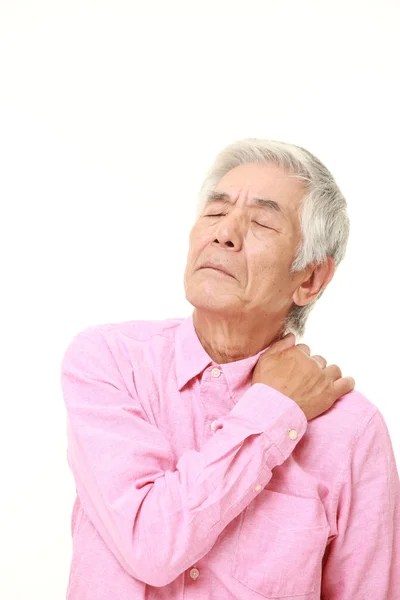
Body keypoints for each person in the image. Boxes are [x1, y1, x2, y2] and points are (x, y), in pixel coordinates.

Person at [60, 138, 400, 599]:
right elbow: (150, 544)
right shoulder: (110, 363)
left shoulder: (353, 432)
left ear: (311, 278)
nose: (225, 234)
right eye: (216, 213)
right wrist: (273, 412)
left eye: (261, 222)